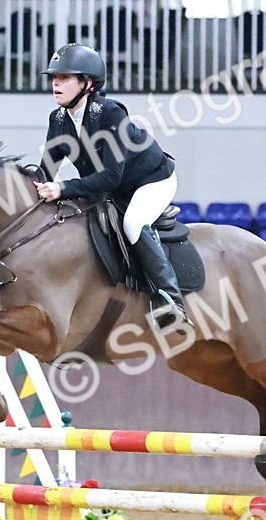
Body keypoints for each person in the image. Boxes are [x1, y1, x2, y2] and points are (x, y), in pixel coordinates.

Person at [35, 43, 188, 329]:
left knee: (132, 222)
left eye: (65, 77)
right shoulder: (58, 119)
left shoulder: (109, 114)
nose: (56, 83)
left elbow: (110, 178)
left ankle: (171, 301)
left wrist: (63, 189)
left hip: (151, 180)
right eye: (54, 77)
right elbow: (46, 170)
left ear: (88, 83)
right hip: (111, 187)